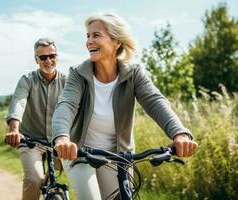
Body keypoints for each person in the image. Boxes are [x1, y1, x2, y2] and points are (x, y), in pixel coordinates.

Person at [51, 13, 198, 200]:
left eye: (96, 35)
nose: (89, 41)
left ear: (116, 42)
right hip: (78, 152)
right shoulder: (79, 74)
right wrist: (62, 138)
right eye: (88, 36)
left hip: (118, 155)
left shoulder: (134, 74)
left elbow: (155, 102)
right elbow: (67, 104)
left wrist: (180, 133)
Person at [5, 38, 65, 200]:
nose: (48, 61)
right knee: (34, 180)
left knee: (78, 173)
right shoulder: (27, 80)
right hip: (31, 141)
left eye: (52, 56)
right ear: (36, 59)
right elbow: (19, 102)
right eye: (43, 57)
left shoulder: (67, 82)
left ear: (57, 56)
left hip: (58, 142)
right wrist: (14, 130)